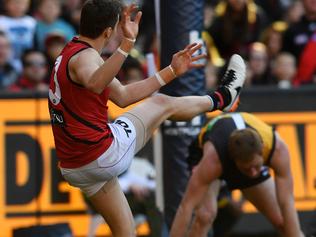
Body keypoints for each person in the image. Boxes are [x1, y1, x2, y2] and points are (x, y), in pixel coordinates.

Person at [48, 0, 246, 236]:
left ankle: (222, 99)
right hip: (101, 155)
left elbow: (123, 96)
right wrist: (127, 44)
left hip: (75, 167)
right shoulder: (86, 59)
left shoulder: (70, 52)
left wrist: (171, 71)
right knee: (161, 103)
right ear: (109, 31)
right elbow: (94, 82)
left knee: (126, 231)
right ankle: (223, 98)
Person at [170, 112, 305, 237]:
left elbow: (287, 202)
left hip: (234, 149)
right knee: (205, 216)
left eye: (256, 166)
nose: (253, 173)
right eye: (247, 169)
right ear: (233, 162)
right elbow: (186, 207)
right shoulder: (213, 161)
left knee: (283, 222)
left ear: (262, 150)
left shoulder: (278, 150)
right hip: (206, 152)